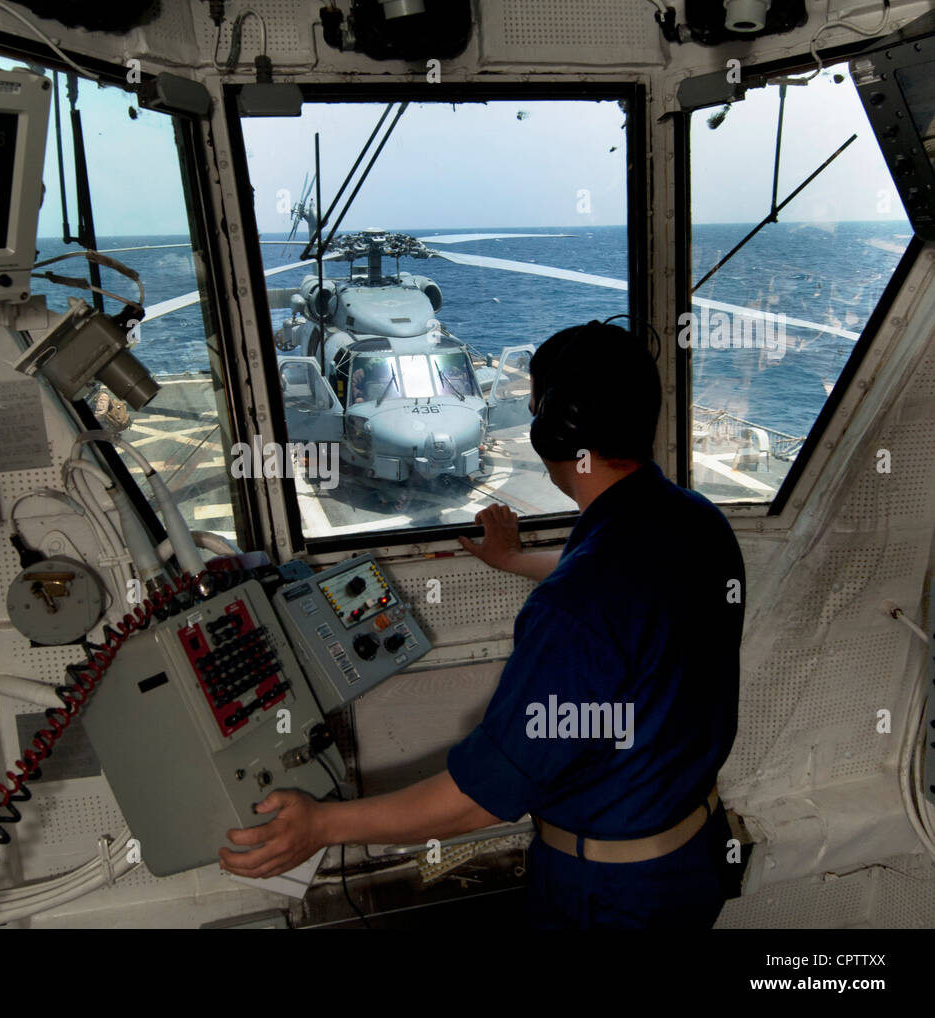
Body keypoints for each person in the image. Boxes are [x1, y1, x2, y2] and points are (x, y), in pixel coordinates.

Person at [218, 320, 746, 929]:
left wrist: (320, 825)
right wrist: (517, 561)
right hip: (692, 856)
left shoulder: (575, 608)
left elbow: (480, 800)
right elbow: (634, 588)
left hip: (608, 894)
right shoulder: (698, 522)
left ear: (556, 429)